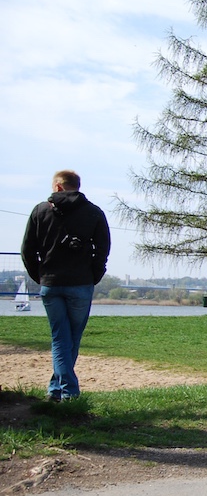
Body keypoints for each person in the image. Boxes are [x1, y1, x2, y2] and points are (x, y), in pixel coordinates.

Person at [21, 170, 111, 402]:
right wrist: (94, 275)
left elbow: (27, 250)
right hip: (81, 283)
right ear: (77, 186)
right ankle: (70, 393)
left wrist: (40, 276)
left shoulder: (40, 211)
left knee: (61, 337)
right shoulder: (94, 212)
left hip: (51, 283)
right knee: (71, 337)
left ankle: (55, 390)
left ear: (58, 187)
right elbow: (103, 249)